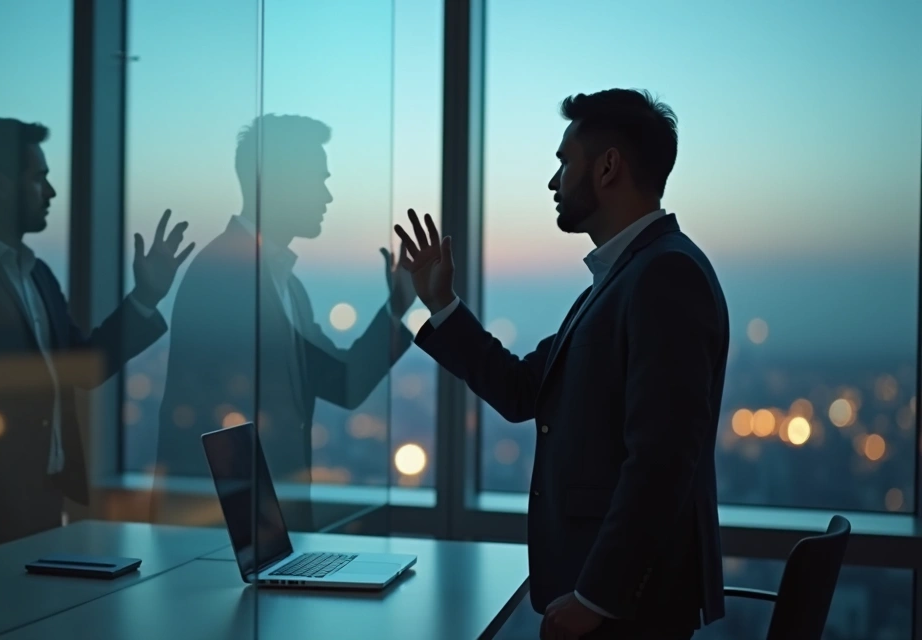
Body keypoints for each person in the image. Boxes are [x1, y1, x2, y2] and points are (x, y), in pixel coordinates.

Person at [395, 89, 727, 640]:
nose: (553, 182)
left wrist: (598, 596)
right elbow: (523, 389)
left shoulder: (664, 277)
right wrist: (442, 305)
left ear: (608, 166)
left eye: (563, 162)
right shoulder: (622, 280)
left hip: (627, 612)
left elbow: (661, 461)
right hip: (610, 601)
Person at [0, 118, 194, 550]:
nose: (50, 193)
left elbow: (81, 367)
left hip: (38, 506)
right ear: (0, 186)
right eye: (39, 178)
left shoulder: (38, 276)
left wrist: (145, 297)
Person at [154, 114, 416, 531]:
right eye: (318, 179)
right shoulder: (221, 275)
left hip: (261, 534)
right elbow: (211, 423)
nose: (328, 195)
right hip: (223, 537)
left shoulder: (286, 285)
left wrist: (396, 309)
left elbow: (343, 383)